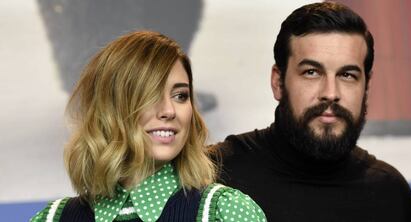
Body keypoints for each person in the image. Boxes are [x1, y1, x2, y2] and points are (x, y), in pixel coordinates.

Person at [31, 31, 266, 222]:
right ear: (111, 108)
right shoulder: (54, 218)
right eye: (151, 95)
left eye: (181, 95)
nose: (169, 110)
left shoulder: (225, 213)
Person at [213, 2, 411, 222]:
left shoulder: (391, 194)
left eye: (347, 75)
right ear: (278, 82)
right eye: (311, 72)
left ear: (366, 86)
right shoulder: (215, 176)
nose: (330, 93)